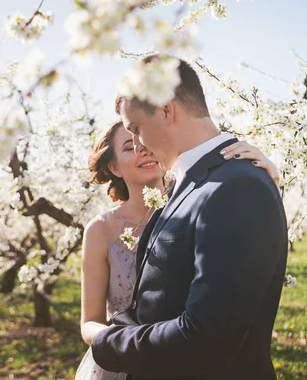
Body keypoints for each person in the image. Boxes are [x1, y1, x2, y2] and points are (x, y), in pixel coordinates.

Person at [88, 55, 288, 380]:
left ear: (167, 109)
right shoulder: (193, 184)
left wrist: (106, 341)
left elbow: (205, 338)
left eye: (136, 129)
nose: (137, 144)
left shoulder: (237, 187)